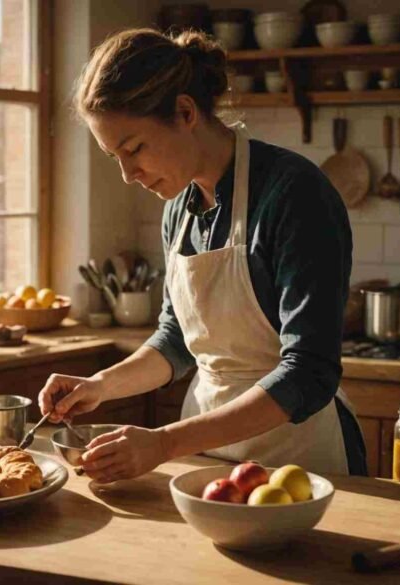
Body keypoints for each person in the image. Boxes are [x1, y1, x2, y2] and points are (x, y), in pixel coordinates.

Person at [39, 28, 367, 483]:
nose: (128, 174)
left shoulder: (295, 195)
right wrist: (99, 386)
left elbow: (309, 373)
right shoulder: (179, 208)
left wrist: (165, 442)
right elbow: (177, 341)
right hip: (206, 457)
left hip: (298, 462)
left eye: (134, 149)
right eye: (114, 156)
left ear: (185, 112)